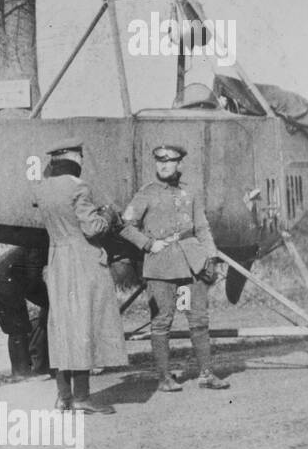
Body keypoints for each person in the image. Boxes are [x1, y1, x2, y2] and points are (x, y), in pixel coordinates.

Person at [120, 144, 228, 391]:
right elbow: (126, 226)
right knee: (162, 322)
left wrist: (210, 257)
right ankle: (164, 378)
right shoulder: (146, 193)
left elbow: (202, 227)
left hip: (192, 265)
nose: (164, 165)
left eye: (169, 161)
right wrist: (148, 244)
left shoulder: (190, 193)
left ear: (180, 164)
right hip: (161, 267)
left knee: (199, 320)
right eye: (159, 161)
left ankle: (206, 374)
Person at [33, 139, 125, 414]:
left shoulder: (43, 188)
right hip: (83, 260)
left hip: (57, 258)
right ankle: (83, 398)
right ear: (76, 158)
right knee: (84, 324)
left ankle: (64, 397)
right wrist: (108, 217)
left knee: (62, 326)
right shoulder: (79, 187)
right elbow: (92, 229)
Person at [0, 245, 49, 378]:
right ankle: (21, 373)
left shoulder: (31, 246)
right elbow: (32, 281)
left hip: (0, 280)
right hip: (4, 283)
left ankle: (20, 371)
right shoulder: (38, 247)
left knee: (16, 329)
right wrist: (46, 301)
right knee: (18, 329)